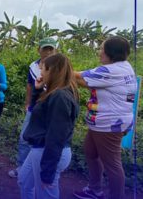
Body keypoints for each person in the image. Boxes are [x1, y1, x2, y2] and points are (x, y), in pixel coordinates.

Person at [73, 36, 136, 199]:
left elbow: (79, 78)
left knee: (113, 165)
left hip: (109, 126)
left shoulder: (111, 71)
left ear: (110, 53)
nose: (99, 52)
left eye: (101, 48)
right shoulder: (125, 67)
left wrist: (59, 66)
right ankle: (95, 190)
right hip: (105, 123)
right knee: (90, 152)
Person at [17, 53, 80, 199]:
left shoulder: (60, 96)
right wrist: (37, 90)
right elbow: (35, 113)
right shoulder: (54, 93)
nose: (41, 73)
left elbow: (56, 136)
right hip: (40, 148)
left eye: (43, 69)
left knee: (46, 194)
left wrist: (48, 172)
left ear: (51, 71)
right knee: (24, 181)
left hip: (48, 151)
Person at [8, 37, 57, 177]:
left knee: (46, 142)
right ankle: (22, 167)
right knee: (24, 137)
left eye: (51, 49)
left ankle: (40, 170)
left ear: (55, 50)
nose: (48, 52)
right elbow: (29, 86)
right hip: (34, 109)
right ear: (39, 50)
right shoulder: (33, 66)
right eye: (45, 49)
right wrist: (27, 103)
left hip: (51, 110)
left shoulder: (59, 67)